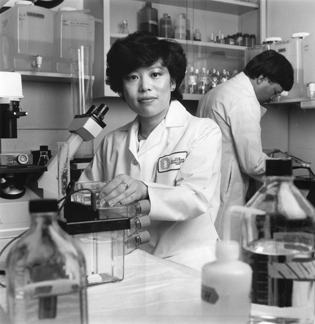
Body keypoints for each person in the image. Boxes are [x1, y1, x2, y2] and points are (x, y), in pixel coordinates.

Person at [79, 31, 222, 271]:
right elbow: (85, 196)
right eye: (133, 77)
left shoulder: (202, 131)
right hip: (129, 259)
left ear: (173, 81)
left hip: (188, 260)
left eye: (155, 74)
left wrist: (144, 190)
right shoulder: (112, 141)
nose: (145, 87)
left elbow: (196, 198)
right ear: (121, 87)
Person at [196, 50, 294, 239]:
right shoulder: (244, 101)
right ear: (262, 78)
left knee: (203, 245)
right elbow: (253, 164)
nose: (274, 98)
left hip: (205, 183)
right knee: (224, 247)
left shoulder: (215, 92)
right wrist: (283, 169)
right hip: (224, 188)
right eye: (276, 92)